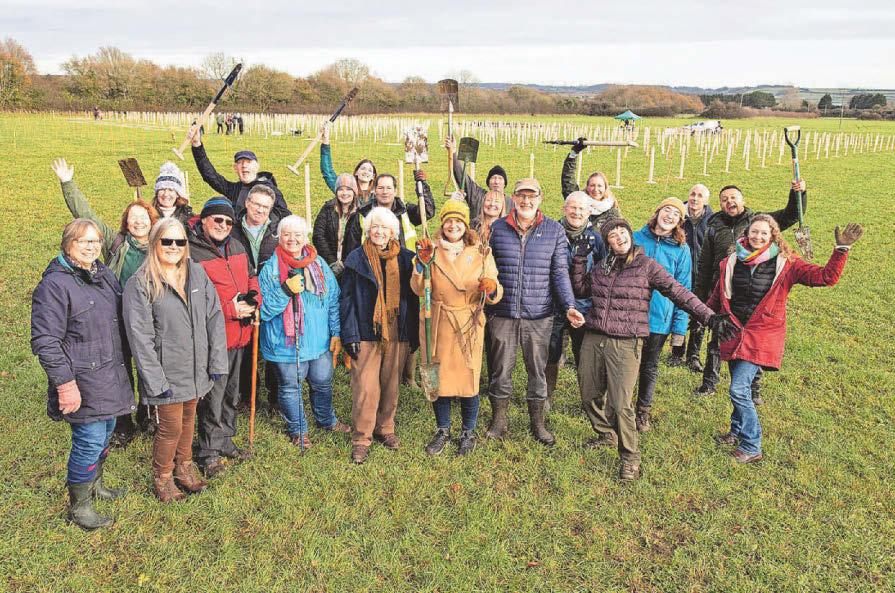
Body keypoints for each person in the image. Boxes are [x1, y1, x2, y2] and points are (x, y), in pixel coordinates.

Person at [571, 218, 736, 481]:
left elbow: (678, 291)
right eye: (612, 235)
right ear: (608, 242)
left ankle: (630, 458)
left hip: (626, 340)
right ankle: (605, 434)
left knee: (621, 403)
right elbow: (581, 288)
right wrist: (579, 260)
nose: (618, 237)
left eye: (621, 232)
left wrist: (709, 317)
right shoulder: (602, 267)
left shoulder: (646, 266)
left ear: (630, 234)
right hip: (594, 336)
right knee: (589, 394)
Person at [707, 217, 862, 463]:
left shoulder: (786, 264)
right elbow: (718, 295)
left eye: (764, 233)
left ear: (773, 236)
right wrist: (704, 317)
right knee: (740, 386)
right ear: (747, 233)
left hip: (761, 336)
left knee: (738, 390)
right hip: (733, 332)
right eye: (754, 232)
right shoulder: (731, 261)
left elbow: (825, 277)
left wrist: (841, 249)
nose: (758, 237)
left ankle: (751, 445)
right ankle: (736, 432)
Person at [31, 219, 135, 529]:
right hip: (82, 378)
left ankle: (95, 484)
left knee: (105, 434)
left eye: (95, 241)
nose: (90, 247)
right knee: (88, 440)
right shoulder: (54, 285)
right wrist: (65, 384)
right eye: (83, 241)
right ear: (67, 244)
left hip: (110, 372)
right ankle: (80, 505)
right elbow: (45, 341)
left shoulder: (100, 273)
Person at [52, 158, 160, 446]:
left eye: (144, 218)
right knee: (120, 367)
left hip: (149, 320)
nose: (139, 222)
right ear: (126, 222)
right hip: (117, 317)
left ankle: (150, 415)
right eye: (133, 217)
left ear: (153, 222)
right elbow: (86, 215)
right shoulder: (115, 243)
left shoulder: (160, 247)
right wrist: (68, 183)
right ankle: (123, 422)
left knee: (149, 366)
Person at [123, 218, 228, 501]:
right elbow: (139, 338)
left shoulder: (196, 274)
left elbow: (214, 317)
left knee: (189, 420)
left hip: (196, 368)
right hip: (167, 372)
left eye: (179, 241)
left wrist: (216, 362)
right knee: (170, 427)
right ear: (155, 243)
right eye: (166, 241)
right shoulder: (141, 283)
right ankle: (163, 476)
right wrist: (155, 381)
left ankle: (185, 467)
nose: (173, 247)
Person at [485, 178, 585, 446]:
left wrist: (569, 306)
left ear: (540, 199)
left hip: (539, 314)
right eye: (521, 196)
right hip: (502, 313)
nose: (526, 201)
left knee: (537, 372)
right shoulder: (497, 228)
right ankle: (499, 421)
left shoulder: (554, 231)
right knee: (500, 370)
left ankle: (538, 424)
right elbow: (486, 269)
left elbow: (560, 273)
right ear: (513, 198)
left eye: (532, 197)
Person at [693, 181, 808, 402]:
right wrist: (701, 300)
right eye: (724, 199)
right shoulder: (713, 226)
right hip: (725, 291)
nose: (729, 202)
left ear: (742, 200)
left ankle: (754, 389)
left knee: (753, 344)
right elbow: (705, 265)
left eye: (733, 197)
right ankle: (709, 383)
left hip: (756, 292)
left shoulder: (759, 221)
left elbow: (791, 215)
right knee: (717, 341)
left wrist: (798, 193)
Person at [411, 199, 503, 456]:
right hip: (438, 322)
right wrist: (421, 264)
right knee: (437, 378)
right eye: (448, 221)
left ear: (466, 225)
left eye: (458, 221)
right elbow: (417, 288)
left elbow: (495, 285)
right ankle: (442, 429)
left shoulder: (481, 252)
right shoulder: (429, 250)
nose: (453, 225)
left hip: (467, 322)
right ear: (442, 224)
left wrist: (491, 287)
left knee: (468, 378)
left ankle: (468, 431)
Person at [258, 215, 349, 449]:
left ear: (305, 237)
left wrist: (336, 332)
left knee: (322, 381)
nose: (292, 239)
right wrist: (285, 292)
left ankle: (326, 420)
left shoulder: (318, 265)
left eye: (298, 234)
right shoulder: (270, 270)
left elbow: (332, 300)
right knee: (290, 387)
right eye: (287, 234)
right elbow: (264, 311)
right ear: (279, 237)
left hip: (318, 341)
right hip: (286, 343)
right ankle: (298, 430)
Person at [340, 207, 420, 464]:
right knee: (365, 386)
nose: (379, 232)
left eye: (384, 228)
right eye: (375, 227)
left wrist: (414, 334)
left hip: (397, 329)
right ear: (368, 230)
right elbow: (347, 300)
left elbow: (415, 296)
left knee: (391, 383)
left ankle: (385, 428)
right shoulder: (356, 259)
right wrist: (349, 333)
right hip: (365, 330)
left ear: (393, 232)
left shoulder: (407, 260)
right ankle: (362, 438)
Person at [187, 198, 260, 477]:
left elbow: (252, 277)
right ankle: (207, 452)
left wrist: (254, 298)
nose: (223, 225)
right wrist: (230, 308)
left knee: (231, 393)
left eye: (228, 221)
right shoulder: (192, 252)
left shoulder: (237, 246)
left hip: (240, 336)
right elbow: (194, 297)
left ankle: (225, 439)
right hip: (213, 339)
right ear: (204, 220)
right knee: (213, 397)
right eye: (217, 220)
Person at [632, 197, 691, 432]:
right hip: (631, 315)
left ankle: (642, 412)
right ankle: (620, 407)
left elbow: (683, 287)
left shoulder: (681, 249)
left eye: (676, 214)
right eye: (667, 210)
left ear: (679, 222)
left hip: (659, 319)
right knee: (625, 366)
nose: (670, 216)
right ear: (657, 212)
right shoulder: (636, 239)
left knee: (649, 366)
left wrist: (679, 328)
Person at [545, 191, 607, 403]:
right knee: (551, 350)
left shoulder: (596, 238)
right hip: (553, 304)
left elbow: (602, 270)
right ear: (564, 209)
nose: (576, 212)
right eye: (572, 207)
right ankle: (547, 395)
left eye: (581, 208)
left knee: (583, 353)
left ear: (589, 212)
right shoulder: (552, 231)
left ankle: (588, 398)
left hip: (583, 306)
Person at [229, 184, 283, 410]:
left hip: (271, 296)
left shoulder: (278, 231)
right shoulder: (232, 230)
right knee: (246, 347)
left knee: (272, 345)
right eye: (257, 204)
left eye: (266, 207)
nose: (260, 210)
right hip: (243, 295)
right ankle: (248, 395)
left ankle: (275, 396)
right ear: (247, 203)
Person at [189, 126, 290, 221]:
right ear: (235, 168)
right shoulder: (234, 189)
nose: (244, 166)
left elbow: (285, 215)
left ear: (257, 166)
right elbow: (210, 175)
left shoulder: (270, 190)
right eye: (240, 163)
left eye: (248, 162)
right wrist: (197, 145)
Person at [668, 184, 713, 371]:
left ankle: (693, 355)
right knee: (678, 311)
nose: (695, 198)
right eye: (692, 194)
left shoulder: (712, 221)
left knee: (698, 314)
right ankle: (677, 351)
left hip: (703, 276)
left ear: (706, 201)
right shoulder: (679, 217)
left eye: (699, 195)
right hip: (681, 273)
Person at [341, 172, 435, 257]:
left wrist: (422, 186)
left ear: (395, 191)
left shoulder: (405, 211)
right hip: (371, 270)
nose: (385, 192)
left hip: (405, 268)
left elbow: (426, 212)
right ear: (374, 190)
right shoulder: (362, 215)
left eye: (389, 188)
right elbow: (350, 250)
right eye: (381, 188)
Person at [444, 136, 513, 223]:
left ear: (505, 184)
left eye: (500, 178)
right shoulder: (477, 195)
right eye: (493, 178)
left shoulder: (511, 203)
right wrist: (452, 152)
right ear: (488, 183)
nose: (496, 181)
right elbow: (462, 177)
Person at [561, 139, 621, 230]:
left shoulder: (611, 211)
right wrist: (574, 153)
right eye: (592, 185)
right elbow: (568, 180)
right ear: (587, 187)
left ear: (605, 188)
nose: (596, 189)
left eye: (599, 186)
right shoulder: (579, 200)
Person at [312, 172, 361, 279]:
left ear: (354, 192)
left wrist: (345, 263)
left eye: (348, 189)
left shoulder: (361, 212)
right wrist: (332, 262)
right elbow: (318, 235)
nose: (344, 193)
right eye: (341, 189)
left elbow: (359, 241)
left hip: (352, 265)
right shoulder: (327, 208)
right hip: (328, 264)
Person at [320, 122, 377, 204]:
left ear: (373, 176)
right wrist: (325, 139)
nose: (366, 172)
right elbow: (327, 172)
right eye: (363, 168)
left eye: (370, 170)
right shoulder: (345, 190)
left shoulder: (378, 196)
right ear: (356, 172)